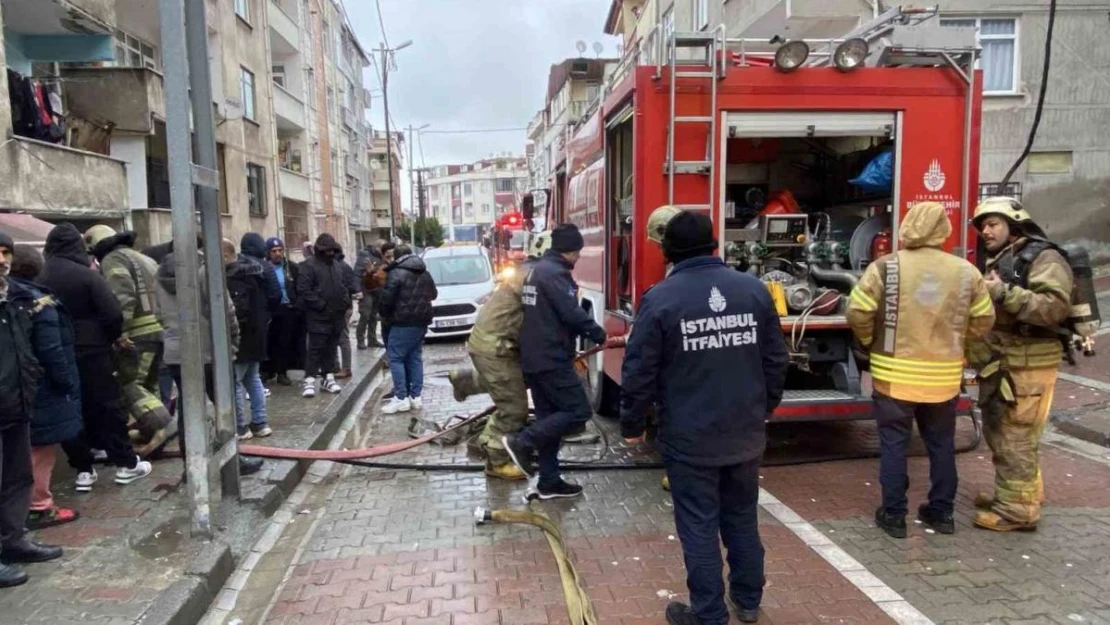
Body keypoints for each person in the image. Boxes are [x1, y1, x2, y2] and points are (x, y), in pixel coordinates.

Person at [619, 211, 788, 625]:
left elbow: (639, 370)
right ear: (714, 244)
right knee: (742, 517)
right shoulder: (753, 291)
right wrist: (764, 407)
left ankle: (709, 614)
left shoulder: (660, 299)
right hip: (745, 432)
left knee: (698, 525)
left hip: (690, 437)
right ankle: (747, 600)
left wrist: (632, 425)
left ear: (668, 249)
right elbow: (776, 360)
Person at [846, 202, 996, 538]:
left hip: (893, 379)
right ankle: (942, 514)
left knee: (894, 446)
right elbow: (985, 318)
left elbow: (857, 311)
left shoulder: (886, 268)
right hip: (943, 378)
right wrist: (958, 340)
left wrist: (872, 340)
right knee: (941, 445)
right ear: (943, 229)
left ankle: (894, 515)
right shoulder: (965, 271)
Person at [967, 197, 1074, 532]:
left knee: (1015, 436)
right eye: (982, 226)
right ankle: (1019, 494)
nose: (985, 231)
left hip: (1028, 365)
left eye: (993, 224)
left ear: (1014, 225)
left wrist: (1003, 293)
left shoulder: (1044, 258)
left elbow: (1053, 308)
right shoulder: (1006, 258)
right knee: (1007, 433)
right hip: (1009, 362)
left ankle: (1017, 511)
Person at [503, 224, 621, 499]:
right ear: (572, 251)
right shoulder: (556, 275)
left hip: (535, 357)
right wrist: (599, 334)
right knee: (578, 412)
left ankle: (549, 481)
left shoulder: (537, 271)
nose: (579, 257)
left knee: (549, 419)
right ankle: (522, 441)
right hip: (551, 358)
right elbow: (571, 313)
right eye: (578, 251)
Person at [39, 224, 150, 490]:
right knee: (107, 405)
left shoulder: (40, 278)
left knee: (71, 408)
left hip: (56, 353)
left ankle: (83, 470)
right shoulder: (88, 276)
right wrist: (111, 339)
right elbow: (112, 314)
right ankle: (126, 463)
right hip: (93, 350)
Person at [449, 231, 552, 480]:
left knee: (518, 381)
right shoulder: (535, 278)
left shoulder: (527, 272)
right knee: (514, 409)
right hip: (496, 349)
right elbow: (541, 321)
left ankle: (467, 380)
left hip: (489, 344)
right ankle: (496, 458)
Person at [156, 246, 261, 476]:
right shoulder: (204, 271)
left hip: (176, 353)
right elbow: (224, 309)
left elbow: (157, 314)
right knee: (224, 405)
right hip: (208, 349)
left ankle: (190, 467)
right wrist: (233, 341)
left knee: (188, 409)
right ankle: (232, 460)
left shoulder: (160, 275)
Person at [0, 230, 64, 588]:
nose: (2, 261)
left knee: (17, 478)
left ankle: (14, 541)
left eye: (6, 253)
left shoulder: (15, 300)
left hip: (16, 404)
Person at [9, 246, 83, 530]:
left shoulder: (12, 299)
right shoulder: (39, 303)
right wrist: (66, 382)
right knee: (41, 449)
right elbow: (52, 350)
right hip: (41, 386)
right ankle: (39, 506)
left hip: (18, 385)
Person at [84, 225, 172, 458]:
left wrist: (119, 333)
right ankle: (149, 433)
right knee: (149, 386)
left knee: (129, 385)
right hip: (158, 331)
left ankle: (161, 426)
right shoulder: (143, 258)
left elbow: (123, 297)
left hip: (137, 334)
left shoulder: (113, 260)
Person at [379, 244, 437, 414]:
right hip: (422, 322)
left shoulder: (395, 273)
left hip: (402, 322)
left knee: (395, 358)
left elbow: (386, 301)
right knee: (415, 358)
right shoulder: (424, 273)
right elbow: (434, 294)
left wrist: (384, 315)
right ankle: (416, 397)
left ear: (397, 258)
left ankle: (401, 398)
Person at [223, 240, 273, 440]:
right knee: (253, 379)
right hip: (257, 335)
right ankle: (260, 423)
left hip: (242, 338)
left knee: (234, 382)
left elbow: (238, 311)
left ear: (226, 256)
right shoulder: (255, 273)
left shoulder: (233, 278)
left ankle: (240, 426)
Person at [296, 234, 350, 398]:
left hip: (336, 316)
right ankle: (310, 379)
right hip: (318, 316)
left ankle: (328, 377)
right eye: (327, 251)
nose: (330, 254)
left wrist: (345, 302)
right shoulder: (308, 266)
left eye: (332, 251)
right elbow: (304, 290)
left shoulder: (336, 266)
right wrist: (321, 305)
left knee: (331, 349)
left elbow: (343, 286)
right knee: (315, 348)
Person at [263, 237, 303, 386]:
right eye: (274, 251)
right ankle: (268, 371)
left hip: (288, 309)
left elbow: (299, 288)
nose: (278, 254)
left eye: (280, 250)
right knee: (269, 341)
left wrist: (297, 305)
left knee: (285, 342)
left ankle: (282, 371)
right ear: (268, 253)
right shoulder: (265, 268)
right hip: (271, 310)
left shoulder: (291, 268)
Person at [355, 241, 393, 349]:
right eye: (382, 248)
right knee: (365, 315)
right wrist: (358, 290)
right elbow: (357, 274)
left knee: (374, 316)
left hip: (378, 289)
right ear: (377, 248)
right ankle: (360, 340)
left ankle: (372, 340)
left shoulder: (383, 258)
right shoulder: (365, 256)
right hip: (366, 290)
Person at [335, 247, 361, 379]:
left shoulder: (340, 267)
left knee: (342, 337)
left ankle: (346, 367)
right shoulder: (341, 266)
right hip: (340, 307)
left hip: (342, 308)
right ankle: (336, 366)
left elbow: (352, 286)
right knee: (335, 337)